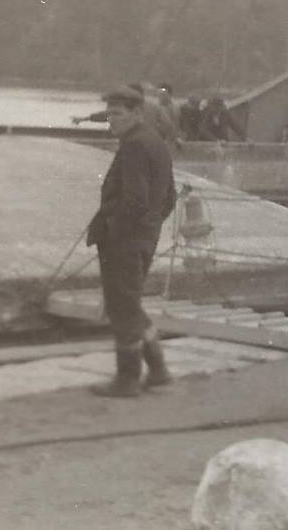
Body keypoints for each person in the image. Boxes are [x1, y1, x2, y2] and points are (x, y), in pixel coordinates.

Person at [85, 86, 176, 397]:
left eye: (118, 114)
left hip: (124, 242)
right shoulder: (156, 143)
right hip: (143, 238)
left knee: (122, 308)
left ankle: (127, 379)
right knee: (130, 305)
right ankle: (160, 372)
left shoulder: (135, 145)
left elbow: (134, 200)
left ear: (137, 113)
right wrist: (150, 228)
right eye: (109, 114)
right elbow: (170, 198)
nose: (111, 120)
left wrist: (113, 232)